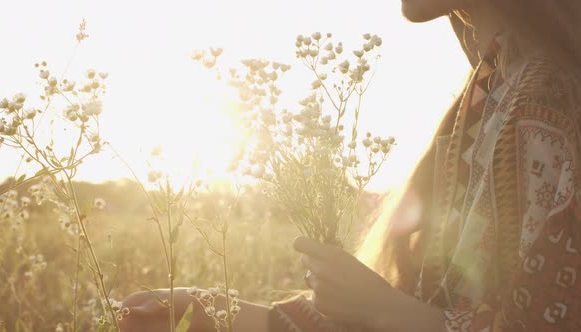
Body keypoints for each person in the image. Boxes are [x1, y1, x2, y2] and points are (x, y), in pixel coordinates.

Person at [120, 0, 581, 330]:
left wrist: (387, 312)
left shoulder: (552, 96)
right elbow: (432, 302)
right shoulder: (493, 88)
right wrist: (221, 315)